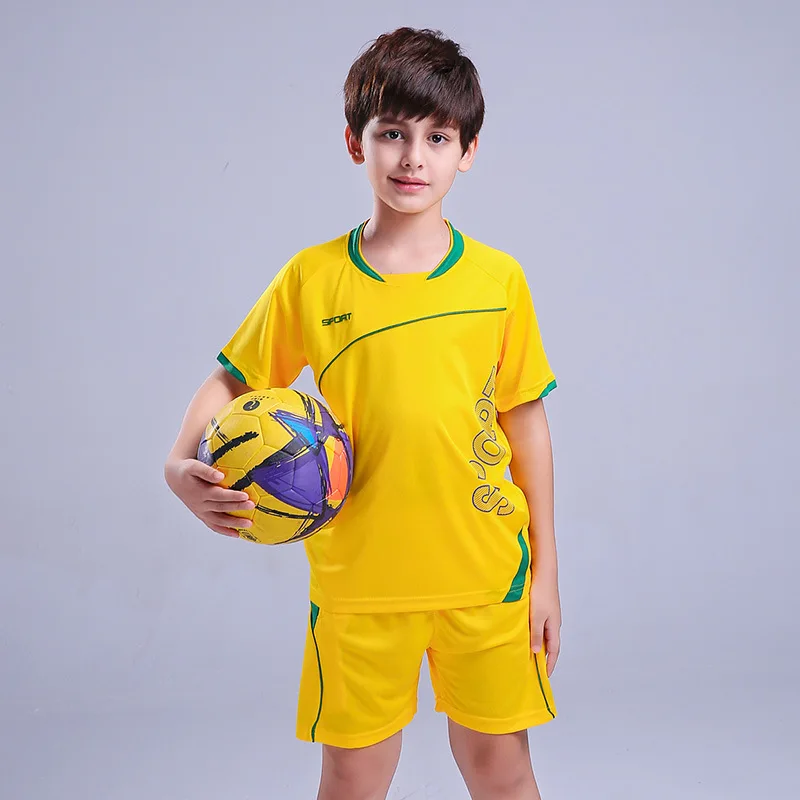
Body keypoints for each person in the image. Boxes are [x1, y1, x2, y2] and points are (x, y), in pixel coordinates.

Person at [165, 26, 562, 800]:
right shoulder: (312, 279)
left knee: (502, 769)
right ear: (356, 142)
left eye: (437, 137)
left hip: (486, 578)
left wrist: (546, 575)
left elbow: (526, 425)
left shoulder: (498, 281)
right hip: (358, 584)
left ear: (468, 151)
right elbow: (231, 379)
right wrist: (180, 464)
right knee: (352, 776)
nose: (413, 157)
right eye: (392, 133)